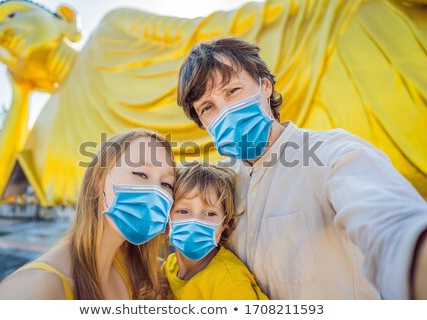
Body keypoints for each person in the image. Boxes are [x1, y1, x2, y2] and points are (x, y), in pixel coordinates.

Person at [176, 37, 427, 299]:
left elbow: (390, 224)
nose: (225, 111)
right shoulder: (221, 188)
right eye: (208, 107)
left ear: (265, 86)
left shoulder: (333, 153)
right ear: (203, 125)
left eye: (232, 91)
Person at [0, 129, 175, 299]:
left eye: (167, 184)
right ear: (98, 180)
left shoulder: (138, 269)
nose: (155, 191)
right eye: (141, 174)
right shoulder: (37, 288)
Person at [163, 161, 268, 299]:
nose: (196, 222)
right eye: (183, 211)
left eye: (210, 214)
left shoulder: (230, 283)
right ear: (167, 216)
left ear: (224, 222)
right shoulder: (169, 266)